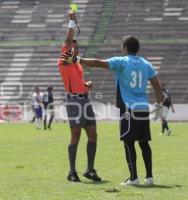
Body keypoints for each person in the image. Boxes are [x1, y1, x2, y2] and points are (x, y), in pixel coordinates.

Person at [61, 35, 163, 185]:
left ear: (125, 48)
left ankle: (133, 178)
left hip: (129, 108)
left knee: (129, 142)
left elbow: (98, 63)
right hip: (143, 108)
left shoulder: (121, 62)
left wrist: (78, 59)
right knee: (144, 143)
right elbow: (157, 85)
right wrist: (159, 107)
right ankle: (149, 177)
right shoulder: (146, 64)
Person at [57, 11, 102, 182]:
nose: (74, 48)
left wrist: (86, 85)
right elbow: (67, 41)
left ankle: (90, 170)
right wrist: (71, 23)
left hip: (84, 98)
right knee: (76, 133)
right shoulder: (63, 61)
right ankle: (72, 172)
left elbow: (77, 82)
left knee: (93, 133)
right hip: (73, 100)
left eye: (76, 47)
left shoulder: (77, 65)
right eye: (71, 47)